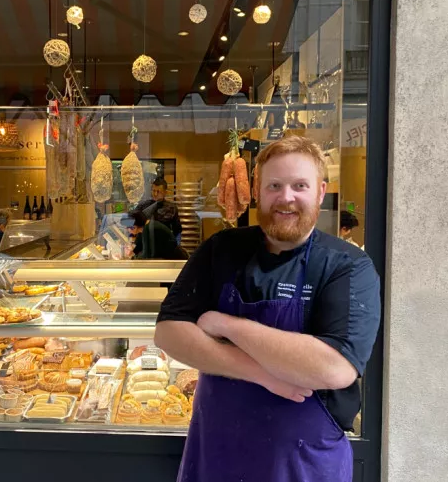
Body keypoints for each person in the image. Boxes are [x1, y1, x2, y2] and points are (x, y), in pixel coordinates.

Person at [155, 136, 381, 481]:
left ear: (320, 192)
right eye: (274, 185)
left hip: (302, 464)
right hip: (218, 454)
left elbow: (335, 368)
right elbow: (169, 333)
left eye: (299, 186)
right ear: (257, 191)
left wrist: (228, 326)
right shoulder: (222, 249)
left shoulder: (347, 266)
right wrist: (263, 373)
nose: (286, 198)